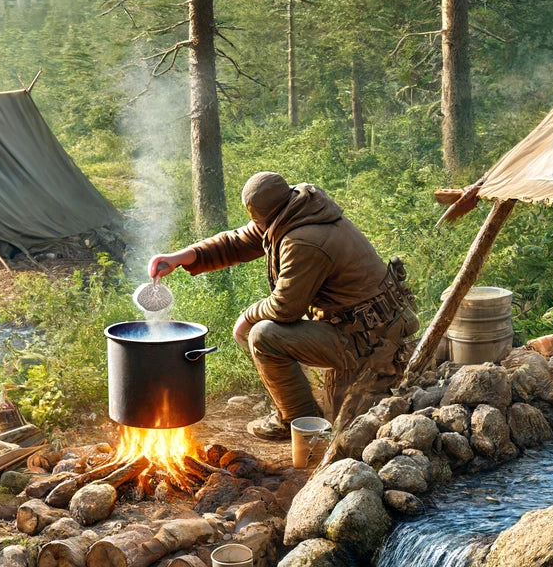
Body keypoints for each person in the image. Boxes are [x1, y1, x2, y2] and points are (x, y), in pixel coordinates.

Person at [150, 171, 416, 441]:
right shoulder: (298, 209)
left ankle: (298, 421)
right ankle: (307, 406)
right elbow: (239, 240)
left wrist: (246, 316)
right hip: (365, 326)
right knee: (267, 333)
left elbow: (285, 308)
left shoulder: (303, 241)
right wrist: (185, 256)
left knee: (265, 336)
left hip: (371, 341)